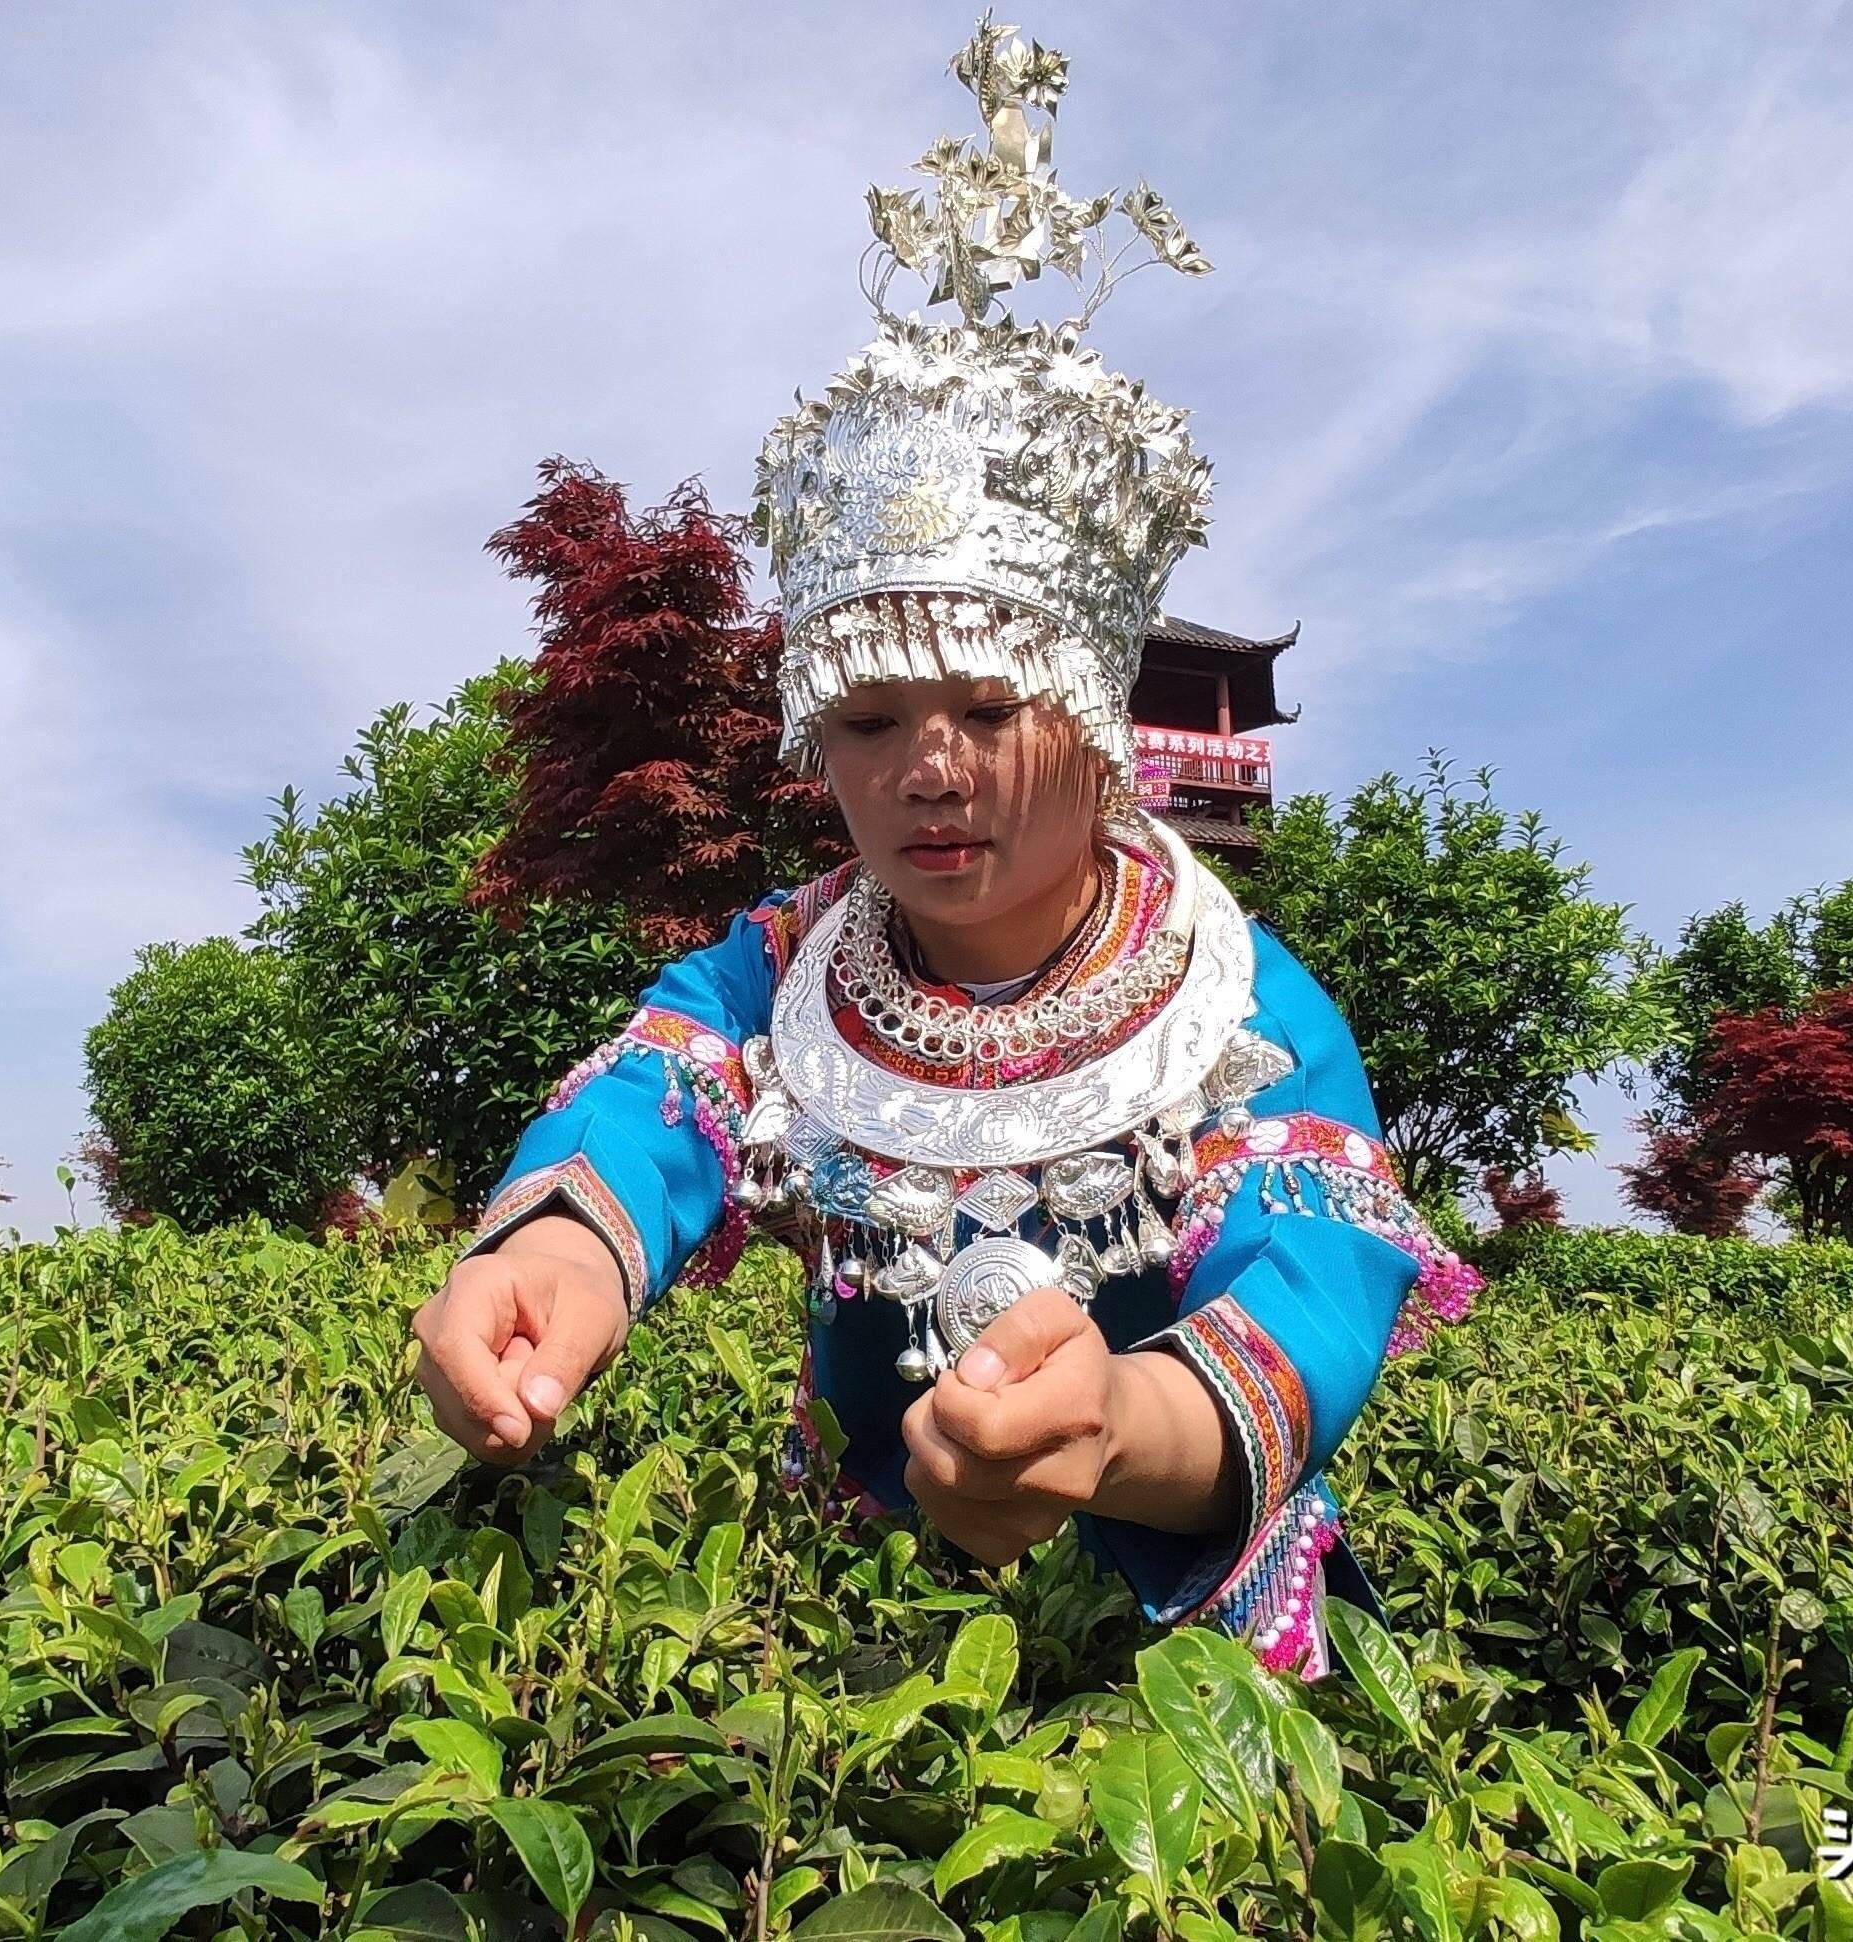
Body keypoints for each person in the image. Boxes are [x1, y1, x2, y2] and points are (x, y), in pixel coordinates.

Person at [411, 19, 1476, 1676]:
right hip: (855, 1660)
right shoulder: (781, 970)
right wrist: (551, 1264)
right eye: (866, 719)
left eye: (988, 705)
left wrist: (1115, 1422)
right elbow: (652, 1111)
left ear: (1094, 712)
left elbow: (1312, 1308)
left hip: (1176, 1670)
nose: (930, 769)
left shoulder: (1245, 1010)